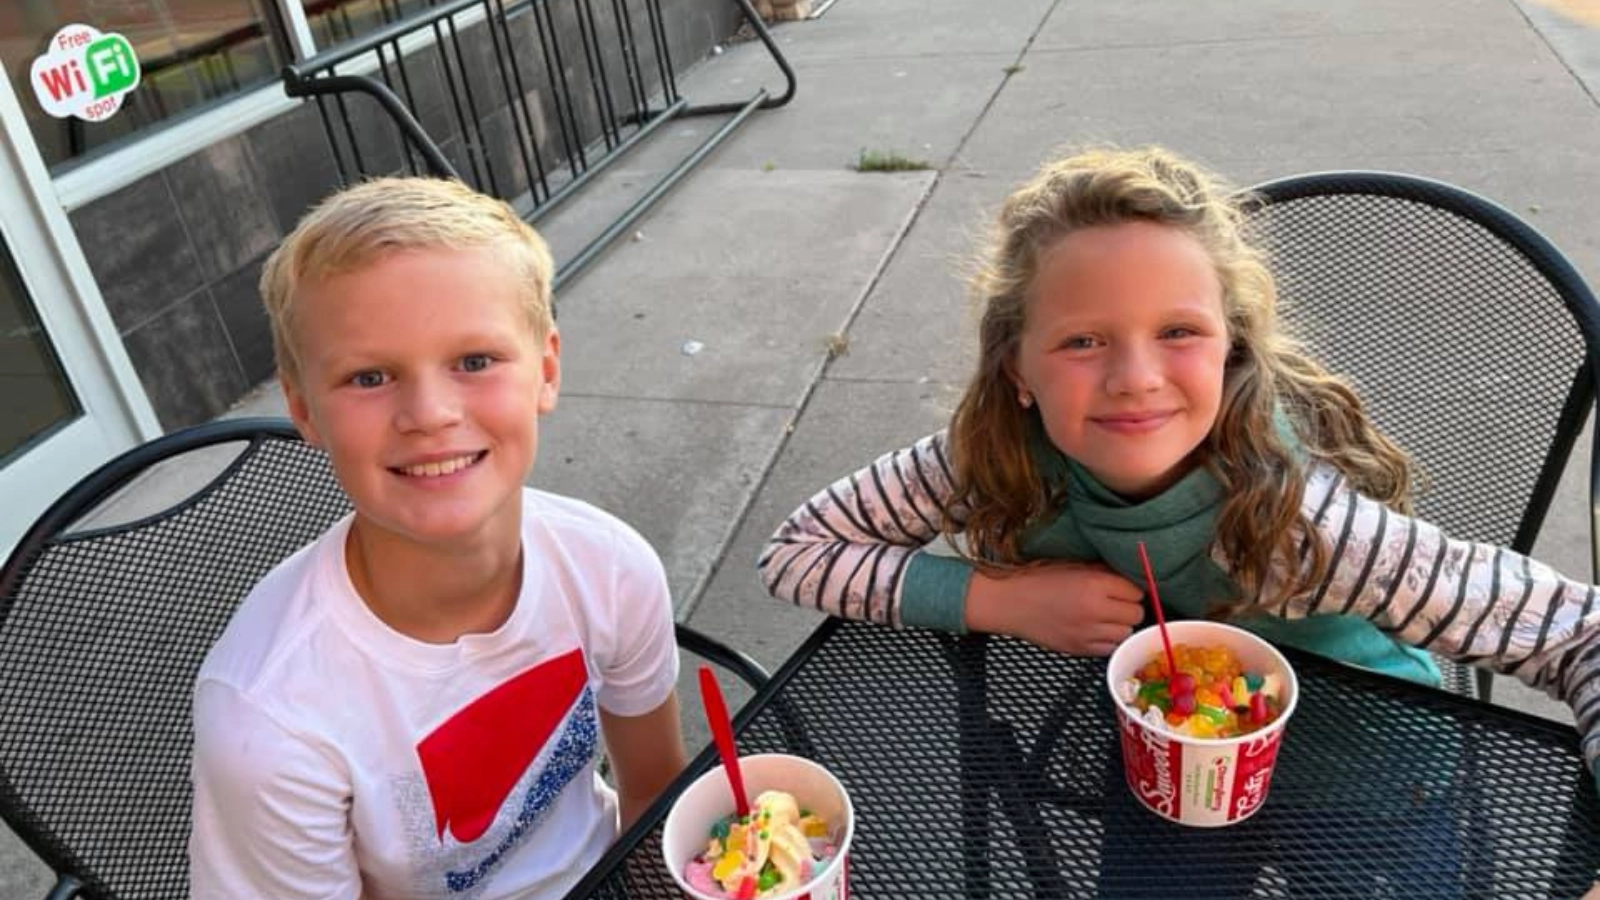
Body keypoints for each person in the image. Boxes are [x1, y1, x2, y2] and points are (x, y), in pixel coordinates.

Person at [757, 146, 1600, 888]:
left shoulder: (1303, 526)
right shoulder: (994, 457)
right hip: (1162, 761)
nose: (1135, 377)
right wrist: (998, 600)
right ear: (1016, 366)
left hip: (1369, 776)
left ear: (1232, 347)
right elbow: (797, 551)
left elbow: (1577, 634)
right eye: (1083, 341)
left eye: (1177, 332)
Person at [189, 177, 688, 899]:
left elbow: (652, 798)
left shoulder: (610, 568)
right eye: (369, 376)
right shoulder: (270, 722)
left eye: (474, 361)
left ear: (546, 369)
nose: (429, 413)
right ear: (303, 407)